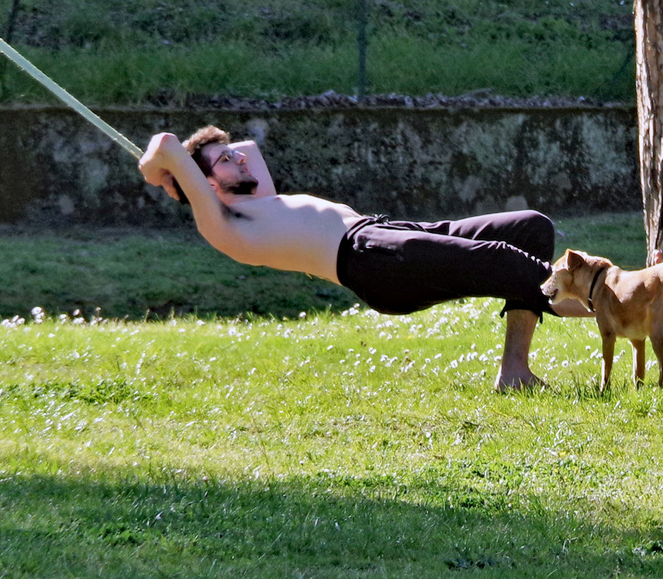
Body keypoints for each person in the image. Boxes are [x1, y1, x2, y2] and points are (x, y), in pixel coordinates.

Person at [137, 125, 589, 390]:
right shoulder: (223, 225)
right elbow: (165, 144)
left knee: (531, 227)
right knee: (501, 261)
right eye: (224, 160)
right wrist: (160, 171)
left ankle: (514, 371)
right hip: (369, 257)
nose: (239, 158)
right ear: (206, 186)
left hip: (384, 230)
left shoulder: (260, 200)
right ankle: (612, 300)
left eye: (233, 153)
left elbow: (245, 148)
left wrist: (198, 160)